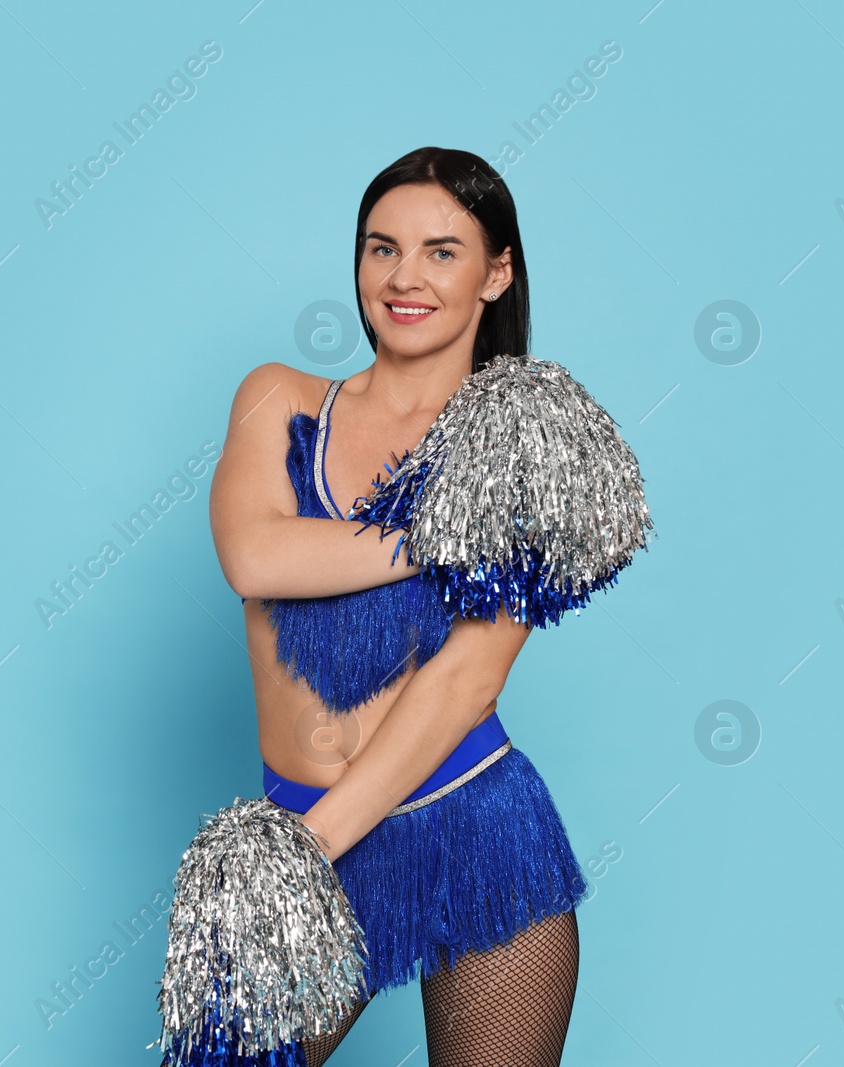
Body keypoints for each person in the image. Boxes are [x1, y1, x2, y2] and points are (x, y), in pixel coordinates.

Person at [205, 147, 596, 1066]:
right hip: (296, 819)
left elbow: (465, 678)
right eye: (382, 249)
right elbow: (253, 555)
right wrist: (446, 529)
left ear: (497, 272)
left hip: (474, 831)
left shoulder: (526, 450)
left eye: (441, 251)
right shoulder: (280, 399)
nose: (405, 276)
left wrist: (310, 847)